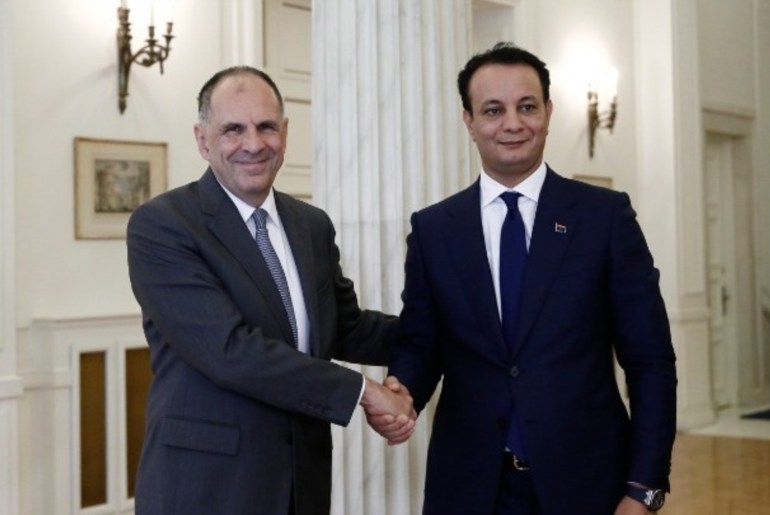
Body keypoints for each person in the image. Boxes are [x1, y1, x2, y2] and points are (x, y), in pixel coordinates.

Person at [388, 43, 677, 514]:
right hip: (469, 489)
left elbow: (651, 362)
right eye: (493, 110)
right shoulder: (434, 229)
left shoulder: (604, 218)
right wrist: (403, 393)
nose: (513, 124)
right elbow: (422, 343)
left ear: (548, 112)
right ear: (468, 121)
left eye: (527, 107)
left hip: (588, 487)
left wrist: (644, 488)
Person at [126, 66, 414, 515]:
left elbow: (344, 328)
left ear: (285, 132)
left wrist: (443, 332)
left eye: (265, 127)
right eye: (233, 130)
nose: (253, 144)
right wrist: (362, 390)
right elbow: (229, 351)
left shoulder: (311, 225)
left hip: (301, 481)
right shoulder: (164, 225)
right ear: (203, 140)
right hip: (208, 487)